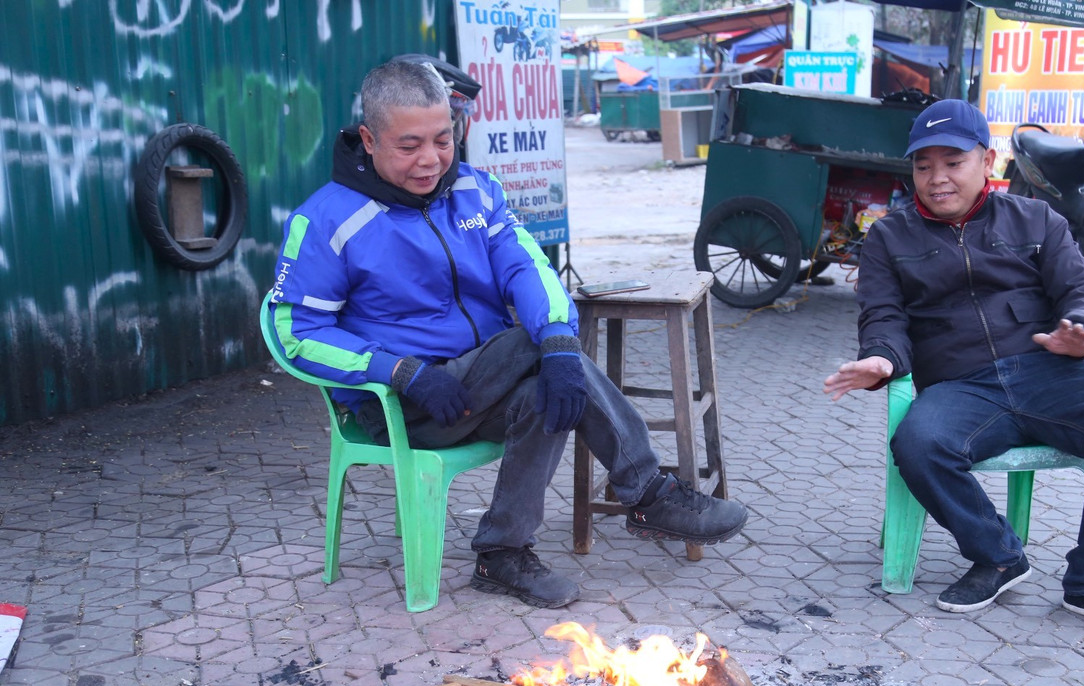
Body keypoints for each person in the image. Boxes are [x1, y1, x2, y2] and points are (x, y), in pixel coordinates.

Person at [269, 59, 747, 609]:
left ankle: (502, 555)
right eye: (409, 146)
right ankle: (646, 491)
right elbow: (295, 332)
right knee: (536, 347)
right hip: (404, 403)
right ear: (369, 139)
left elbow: (528, 267)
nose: (431, 159)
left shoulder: (477, 191)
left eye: (443, 138)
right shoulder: (326, 220)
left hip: (483, 383)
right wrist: (399, 372)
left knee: (548, 381)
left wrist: (561, 344)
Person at [823, 99, 1084, 644]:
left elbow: (1080, 290)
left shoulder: (1036, 219)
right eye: (923, 165)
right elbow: (883, 316)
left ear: (987, 160)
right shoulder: (891, 237)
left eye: (953, 161)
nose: (936, 178)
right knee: (918, 442)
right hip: (962, 387)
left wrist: (1080, 328)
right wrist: (883, 359)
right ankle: (999, 557)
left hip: (1045, 370)